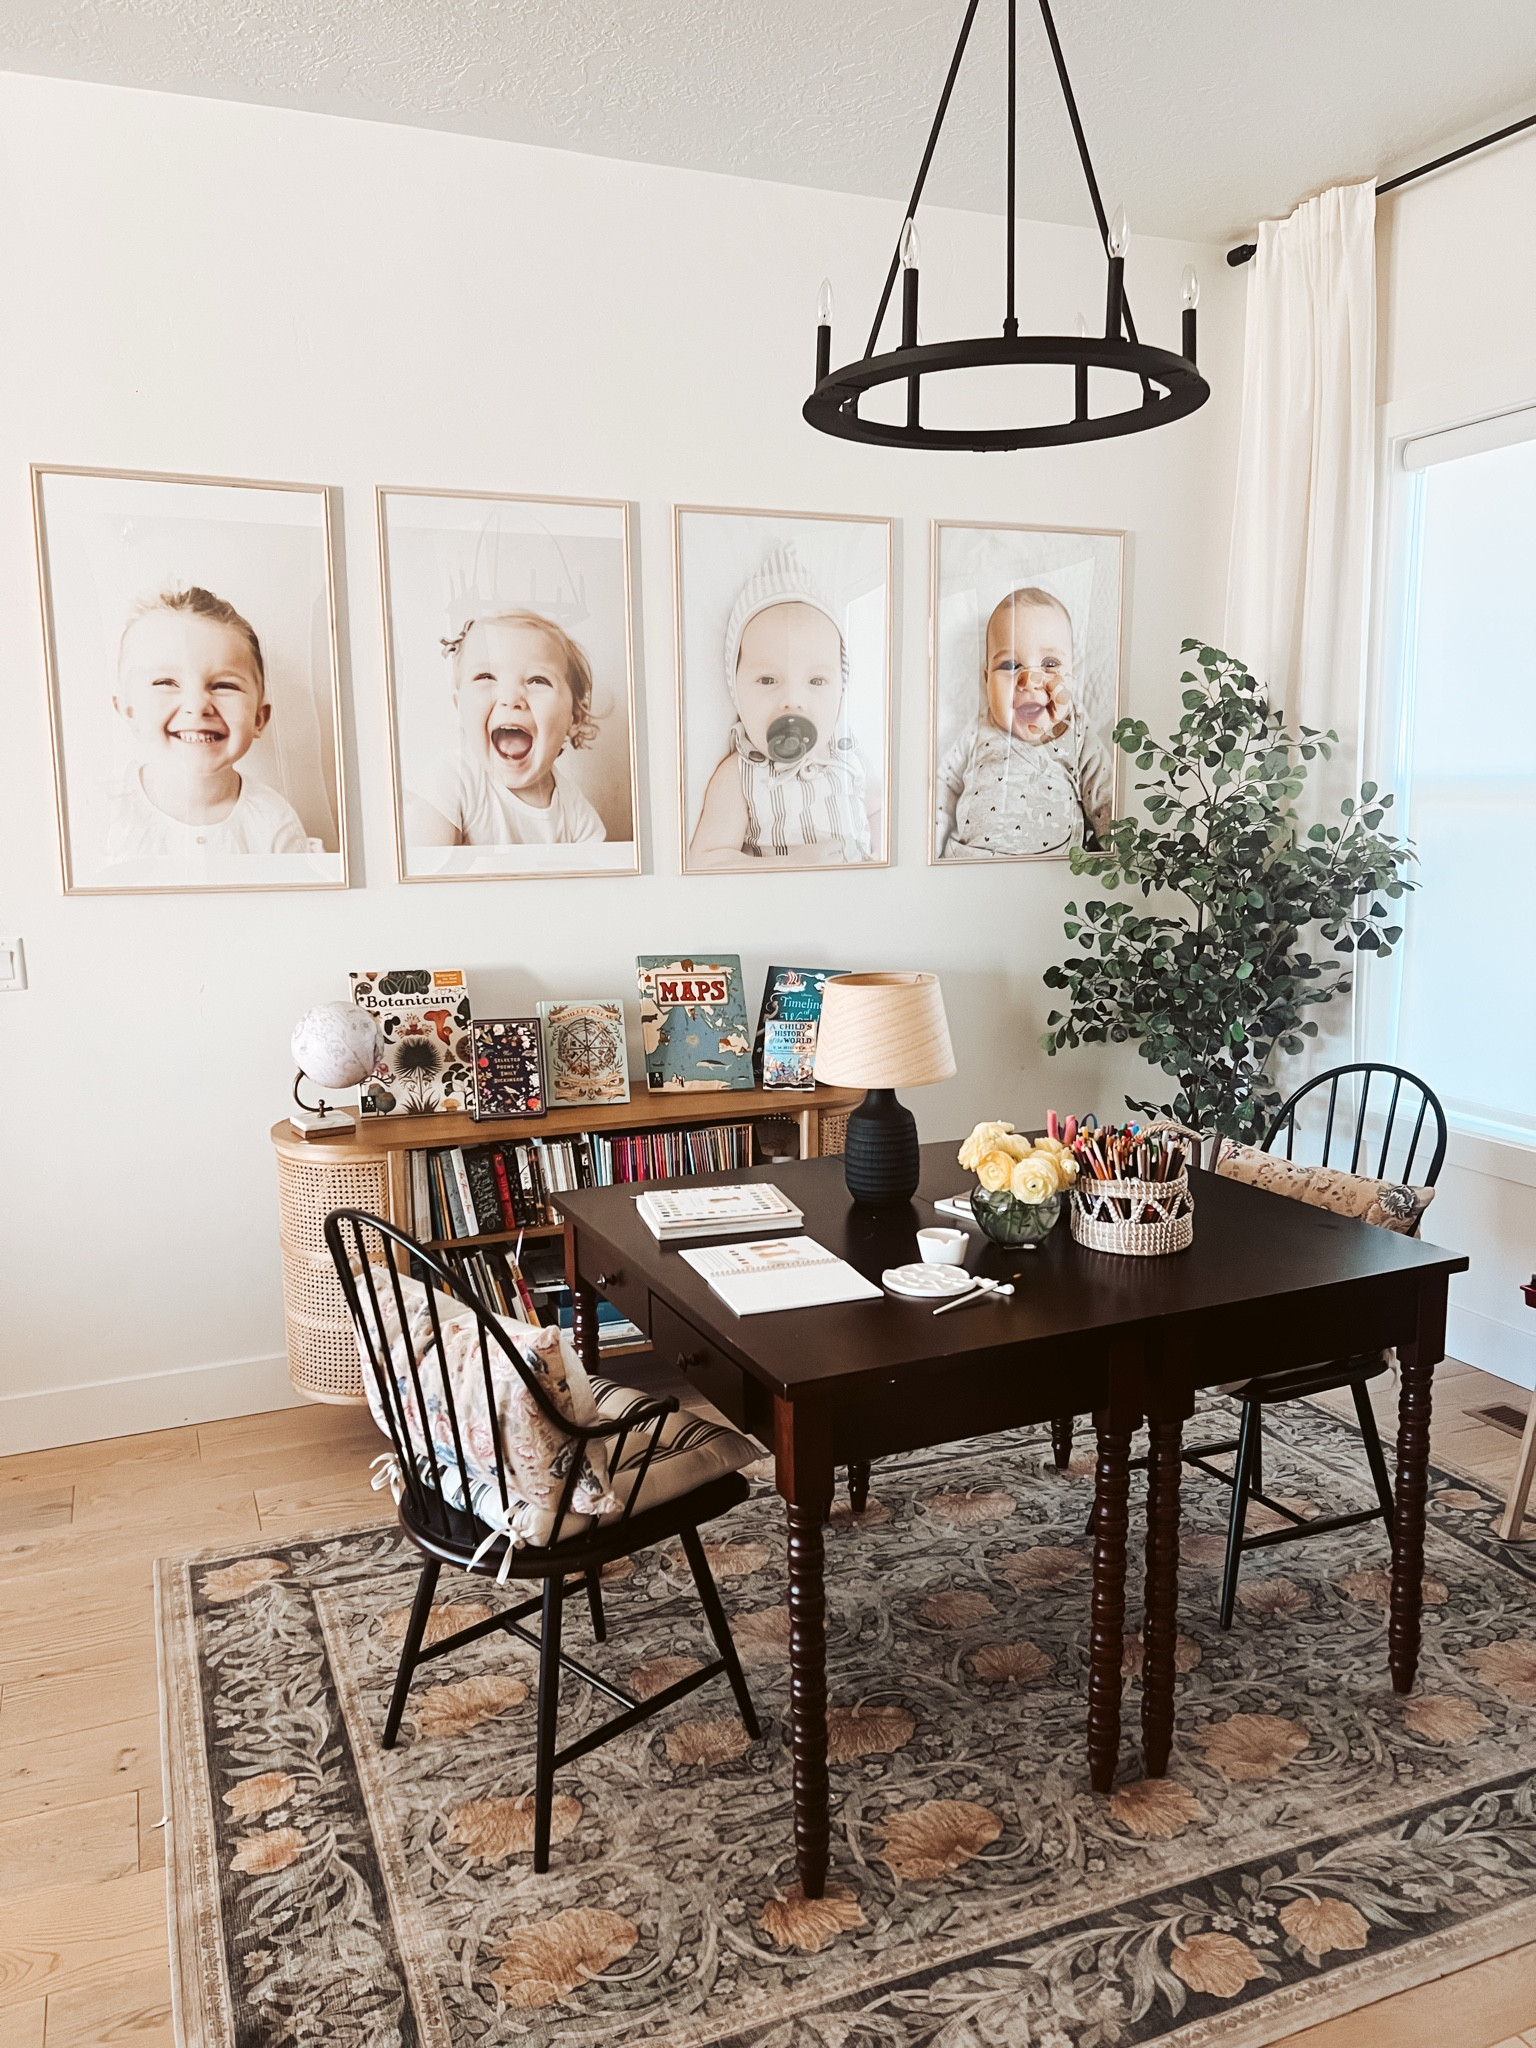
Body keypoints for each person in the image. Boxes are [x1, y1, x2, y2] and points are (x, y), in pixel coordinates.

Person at [688, 544, 878, 868]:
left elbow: (877, 811)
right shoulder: (740, 775)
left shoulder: (849, 756)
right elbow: (705, 860)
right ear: (736, 691)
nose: (793, 700)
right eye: (767, 681)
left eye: (816, 682)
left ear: (841, 691)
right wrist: (790, 864)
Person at [106, 586, 310, 861]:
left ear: (259, 719)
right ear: (129, 711)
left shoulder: (272, 820)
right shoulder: (104, 813)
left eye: (224, 685)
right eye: (166, 683)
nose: (197, 705)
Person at [934, 584, 1113, 860]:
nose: (1029, 681)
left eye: (1050, 664)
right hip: (969, 866)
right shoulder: (978, 730)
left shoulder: (1076, 730)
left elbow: (1104, 797)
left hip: (1054, 872)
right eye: (1010, 666)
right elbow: (941, 789)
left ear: (1072, 676)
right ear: (987, 680)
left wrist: (1122, 857)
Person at [406, 609, 606, 847]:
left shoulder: (577, 817)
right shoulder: (449, 785)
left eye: (537, 680)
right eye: (487, 677)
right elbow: (428, 876)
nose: (511, 698)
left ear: (574, 718)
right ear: (460, 708)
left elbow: (597, 884)